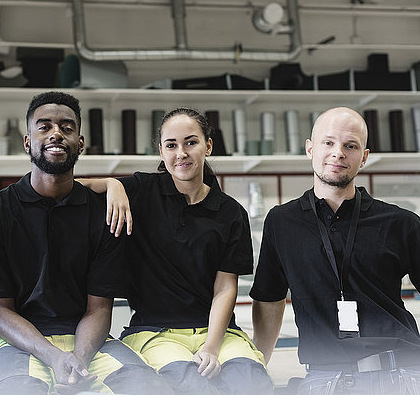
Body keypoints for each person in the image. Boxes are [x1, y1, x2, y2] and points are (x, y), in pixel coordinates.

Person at [0, 91, 172, 395]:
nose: (56, 133)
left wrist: (78, 359)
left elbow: (99, 308)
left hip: (85, 342)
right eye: (44, 126)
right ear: (27, 142)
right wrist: (53, 356)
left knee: (148, 388)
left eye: (67, 127)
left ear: (80, 143)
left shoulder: (103, 214)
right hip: (17, 342)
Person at [79, 107, 272, 395]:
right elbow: (71, 188)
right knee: (193, 386)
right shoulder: (143, 190)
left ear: (208, 146)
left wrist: (211, 347)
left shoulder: (231, 212)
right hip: (156, 334)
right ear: (161, 151)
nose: (181, 153)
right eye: (171, 145)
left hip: (217, 333)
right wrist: (112, 184)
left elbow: (225, 288)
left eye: (191, 142)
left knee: (251, 383)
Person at [250, 107, 420, 394]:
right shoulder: (282, 222)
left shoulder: (400, 223)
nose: (338, 153)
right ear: (310, 149)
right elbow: (269, 300)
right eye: (328, 142)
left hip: (401, 373)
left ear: (363, 157)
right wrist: (256, 369)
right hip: (323, 378)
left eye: (350, 145)